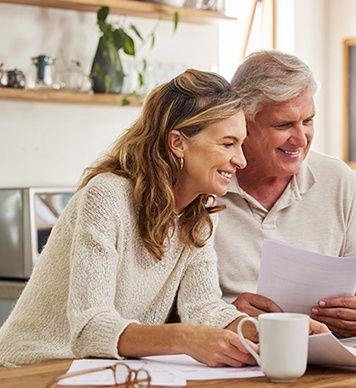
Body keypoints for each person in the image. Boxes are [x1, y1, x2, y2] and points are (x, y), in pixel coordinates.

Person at [0, 69, 257, 368]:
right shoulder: (107, 196)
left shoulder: (199, 213)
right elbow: (89, 328)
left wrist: (275, 331)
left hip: (103, 372)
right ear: (178, 143)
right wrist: (185, 339)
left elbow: (204, 308)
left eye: (241, 144)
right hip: (31, 370)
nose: (241, 160)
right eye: (228, 144)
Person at [214, 50, 356, 338]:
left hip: (322, 358)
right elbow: (162, 309)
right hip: (233, 358)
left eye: (308, 121)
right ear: (243, 122)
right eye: (284, 125)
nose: (301, 138)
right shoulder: (206, 184)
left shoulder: (337, 179)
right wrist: (223, 317)